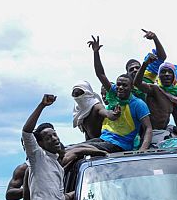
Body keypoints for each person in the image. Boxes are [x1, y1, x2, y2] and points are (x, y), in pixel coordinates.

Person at [63, 36, 153, 166]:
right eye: (118, 84)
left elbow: (148, 128)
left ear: (131, 88)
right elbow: (100, 74)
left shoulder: (138, 104)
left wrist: (142, 152)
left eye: (124, 85)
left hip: (119, 145)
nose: (120, 88)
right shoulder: (114, 95)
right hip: (103, 139)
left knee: (75, 151)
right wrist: (96, 52)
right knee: (68, 149)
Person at [133, 53, 177, 145]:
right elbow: (137, 83)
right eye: (163, 72)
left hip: (164, 131)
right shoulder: (154, 89)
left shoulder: (172, 97)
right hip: (152, 134)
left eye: (170, 72)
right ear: (159, 76)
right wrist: (145, 64)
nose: (167, 74)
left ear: (174, 76)